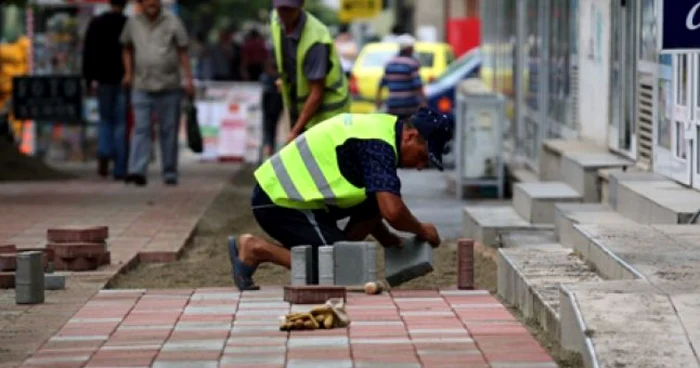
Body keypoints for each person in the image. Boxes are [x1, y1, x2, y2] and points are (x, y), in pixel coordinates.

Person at [227, 107, 454, 291]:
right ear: (410, 136)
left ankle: (332, 249)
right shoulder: (378, 145)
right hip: (278, 200)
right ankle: (255, 249)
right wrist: (421, 230)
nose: (421, 167)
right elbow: (392, 211)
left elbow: (376, 205)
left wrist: (388, 238)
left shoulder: (383, 130)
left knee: (375, 201)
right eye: (423, 157)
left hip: (301, 200)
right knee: (334, 269)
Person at [120, 0, 194, 186]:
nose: (151, 3)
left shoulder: (173, 21)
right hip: (141, 84)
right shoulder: (133, 22)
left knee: (169, 130)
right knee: (141, 128)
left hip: (169, 85)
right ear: (141, 3)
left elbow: (183, 51)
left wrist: (189, 79)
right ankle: (137, 170)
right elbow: (126, 48)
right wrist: (128, 73)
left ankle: (169, 171)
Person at [269, 0, 350, 144]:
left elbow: (316, 94)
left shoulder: (315, 41)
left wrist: (295, 131)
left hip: (327, 112)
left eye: (288, 9)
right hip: (304, 107)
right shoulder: (276, 19)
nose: (284, 14)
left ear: (301, 6)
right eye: (280, 9)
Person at [82, 0, 128, 180]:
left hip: (102, 79)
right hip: (123, 78)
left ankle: (104, 153)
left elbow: (88, 52)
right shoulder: (128, 24)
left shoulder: (97, 23)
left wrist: (88, 79)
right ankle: (120, 166)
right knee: (120, 122)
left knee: (105, 120)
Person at [375, 34, 427, 119]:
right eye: (412, 47)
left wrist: (378, 101)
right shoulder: (412, 63)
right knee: (407, 129)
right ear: (408, 49)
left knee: (396, 128)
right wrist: (424, 103)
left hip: (393, 105)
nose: (414, 49)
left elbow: (381, 84)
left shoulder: (390, 63)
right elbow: (418, 86)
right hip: (409, 106)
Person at [260, 56, 284, 160]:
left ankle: (267, 151)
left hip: (270, 108)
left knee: (268, 129)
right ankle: (268, 150)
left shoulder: (266, 78)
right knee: (270, 130)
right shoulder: (279, 80)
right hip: (276, 106)